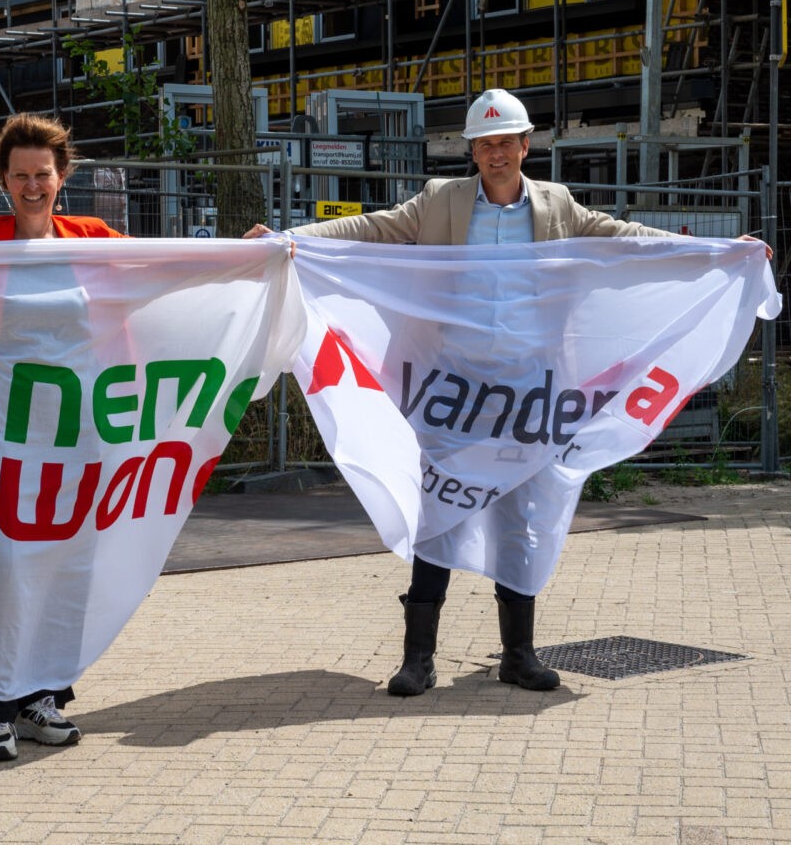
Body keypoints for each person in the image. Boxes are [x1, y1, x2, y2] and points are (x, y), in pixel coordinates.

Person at [245, 87, 770, 698]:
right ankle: (419, 660)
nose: (496, 154)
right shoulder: (440, 202)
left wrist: (714, 253)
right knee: (438, 511)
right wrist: (290, 238)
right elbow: (374, 229)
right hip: (454, 389)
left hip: (531, 391)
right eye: (485, 144)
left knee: (524, 517)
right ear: (472, 151)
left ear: (526, 146)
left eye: (506, 143)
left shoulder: (559, 206)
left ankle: (519, 655)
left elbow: (624, 239)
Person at [0, 113, 125, 760]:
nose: (32, 186)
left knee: (71, 561)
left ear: (62, 175)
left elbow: (164, 277)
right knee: (8, 562)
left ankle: (43, 697)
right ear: (3, 180)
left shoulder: (93, 238)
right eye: (20, 177)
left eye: (42, 174)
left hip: (76, 430)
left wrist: (257, 259)